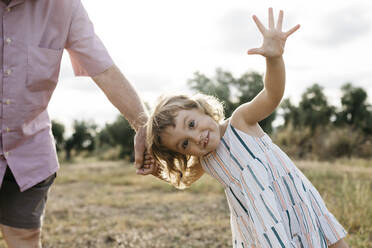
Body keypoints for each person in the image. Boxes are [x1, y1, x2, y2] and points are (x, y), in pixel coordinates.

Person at [145, 8, 349, 248]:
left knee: (327, 238)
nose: (196, 137)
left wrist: (274, 58)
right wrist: (156, 170)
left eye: (191, 124)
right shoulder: (205, 161)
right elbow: (184, 180)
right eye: (184, 143)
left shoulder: (240, 121)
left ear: (200, 108)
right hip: (262, 221)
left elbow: (272, 94)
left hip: (291, 197)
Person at [0, 0, 153, 247]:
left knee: (25, 237)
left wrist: (143, 125)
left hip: (28, 148)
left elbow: (103, 69)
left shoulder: (64, 6)